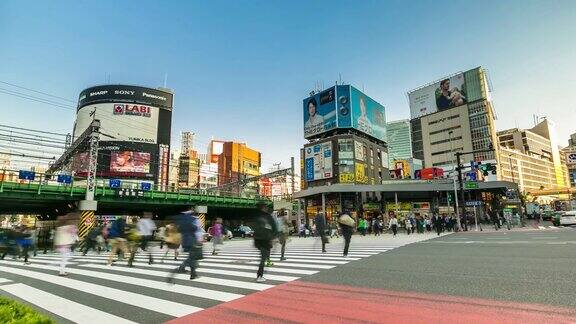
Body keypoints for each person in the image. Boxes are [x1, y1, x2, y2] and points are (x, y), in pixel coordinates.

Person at [168, 209, 203, 282]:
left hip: (185, 241)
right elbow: (196, 229)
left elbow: (179, 230)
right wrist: (200, 239)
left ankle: (193, 274)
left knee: (192, 257)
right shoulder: (193, 219)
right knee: (193, 258)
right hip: (193, 240)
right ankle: (182, 269)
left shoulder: (181, 220)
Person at [253, 203, 278, 282]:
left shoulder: (256, 217)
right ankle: (259, 276)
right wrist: (273, 237)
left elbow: (255, 228)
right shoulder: (268, 217)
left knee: (263, 257)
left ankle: (260, 274)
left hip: (258, 240)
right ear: (263, 208)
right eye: (265, 207)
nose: (266, 208)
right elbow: (274, 228)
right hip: (265, 239)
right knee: (263, 258)